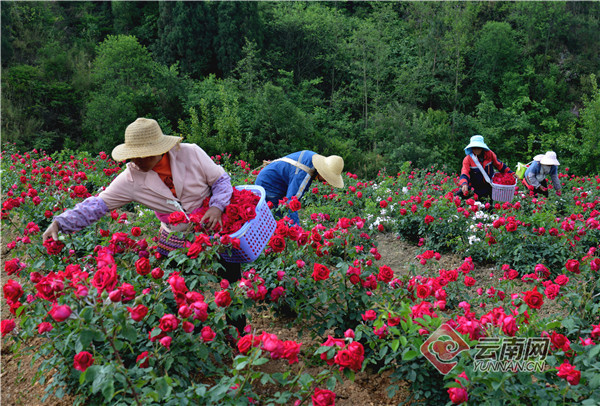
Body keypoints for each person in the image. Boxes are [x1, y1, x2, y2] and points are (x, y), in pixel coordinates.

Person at [42, 117, 245, 333]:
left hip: (214, 226)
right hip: (175, 239)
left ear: (159, 149)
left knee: (231, 281)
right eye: (133, 155)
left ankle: (238, 332)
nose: (136, 160)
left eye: (142, 155)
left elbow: (221, 180)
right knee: (177, 290)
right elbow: (98, 204)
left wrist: (217, 206)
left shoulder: (190, 153)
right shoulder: (130, 179)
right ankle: (191, 337)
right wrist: (60, 222)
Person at [254, 150, 344, 225]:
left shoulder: (311, 157)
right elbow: (291, 202)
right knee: (277, 218)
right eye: (327, 178)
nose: (326, 181)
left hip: (267, 177)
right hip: (269, 184)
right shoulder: (305, 172)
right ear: (323, 171)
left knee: (273, 218)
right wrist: (297, 230)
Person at [456, 135, 512, 201]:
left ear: (482, 147)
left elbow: (499, 165)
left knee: (489, 207)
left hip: (488, 186)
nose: (476, 149)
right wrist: (464, 184)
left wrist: (511, 173)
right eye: (474, 147)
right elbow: (465, 173)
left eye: (478, 147)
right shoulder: (468, 159)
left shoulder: (490, 154)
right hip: (475, 187)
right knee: (458, 198)